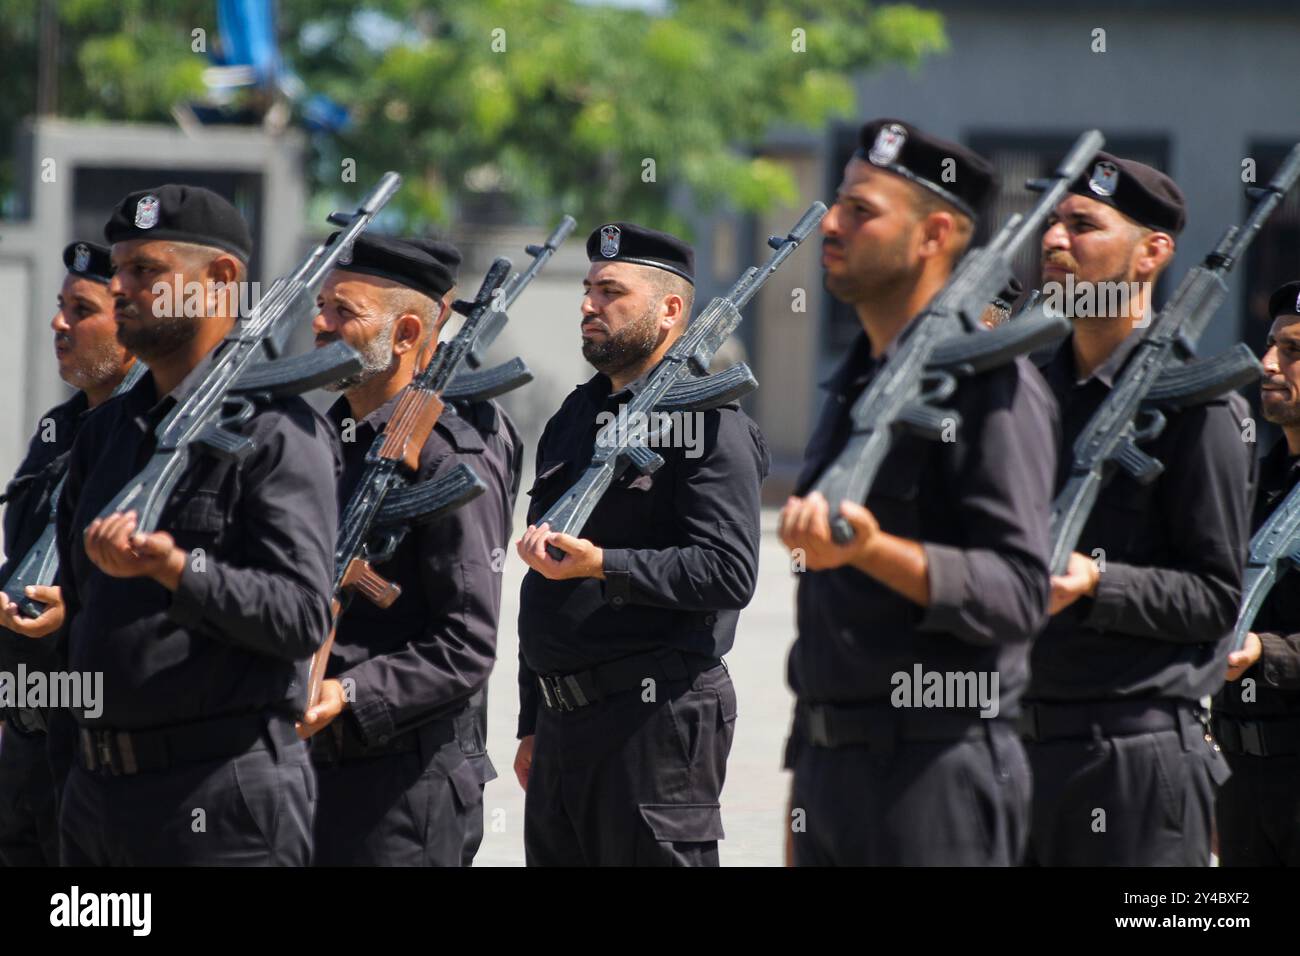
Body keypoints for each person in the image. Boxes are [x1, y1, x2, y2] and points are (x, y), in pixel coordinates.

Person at [779, 118, 1057, 866]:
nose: (831, 223)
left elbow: (1019, 592)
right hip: (833, 770)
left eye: (863, 210)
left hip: (936, 774)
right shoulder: (855, 385)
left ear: (935, 235)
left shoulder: (993, 389)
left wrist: (871, 550)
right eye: (839, 203)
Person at [42, 184, 339, 865]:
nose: (119, 287)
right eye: (118, 270)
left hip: (218, 801)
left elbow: (298, 616)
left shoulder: (277, 431)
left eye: (146, 271)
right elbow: (82, 616)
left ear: (221, 280)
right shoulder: (107, 433)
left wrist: (176, 569)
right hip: (95, 800)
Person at [514, 221, 768, 866]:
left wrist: (605, 565)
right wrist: (531, 719)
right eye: (588, 289)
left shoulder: (712, 423)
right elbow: (544, 577)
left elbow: (728, 571)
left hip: (655, 718)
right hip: (563, 722)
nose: (589, 305)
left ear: (670, 311)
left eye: (611, 292)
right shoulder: (577, 415)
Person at [1025, 153, 1248, 866]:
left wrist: (1096, 582)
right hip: (1016, 748)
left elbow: (1215, 597)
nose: (1055, 241)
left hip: (1135, 762)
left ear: (1152, 253)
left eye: (1083, 225)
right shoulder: (1024, 395)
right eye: (1053, 223)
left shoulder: (1200, 408)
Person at [304, 233, 521, 866]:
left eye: (343, 312)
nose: (320, 324)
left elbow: (466, 643)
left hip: (402, 788)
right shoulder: (321, 439)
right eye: (321, 306)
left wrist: (348, 693)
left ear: (403, 334)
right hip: (309, 771)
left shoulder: (451, 455)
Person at [0, 241, 134, 866]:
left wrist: (74, 617)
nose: (60, 323)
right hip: (28, 738)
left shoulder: (160, 443)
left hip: (96, 752)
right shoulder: (60, 430)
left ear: (130, 322)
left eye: (81, 309)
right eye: (60, 306)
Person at [1213, 279, 1300, 866]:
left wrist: (1263, 653)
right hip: (1238, 780)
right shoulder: (1253, 483)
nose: (1268, 363)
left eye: (1293, 350)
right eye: (1271, 346)